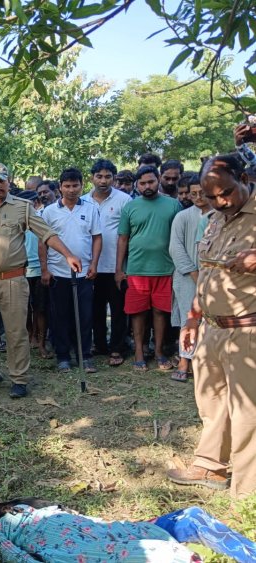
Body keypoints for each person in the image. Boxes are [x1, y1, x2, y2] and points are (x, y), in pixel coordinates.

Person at [167, 153, 256, 497]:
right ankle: (210, 466)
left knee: (247, 414)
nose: (221, 201)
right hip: (211, 328)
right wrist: (193, 316)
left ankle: (246, 494)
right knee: (211, 401)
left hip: (247, 330)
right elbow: (207, 270)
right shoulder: (215, 218)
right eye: (211, 196)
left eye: (226, 193)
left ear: (244, 177)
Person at [0, 163, 81, 398]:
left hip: (12, 280)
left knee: (16, 332)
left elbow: (47, 233)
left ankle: (19, 378)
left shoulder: (22, 208)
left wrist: (68, 254)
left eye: (1, 181)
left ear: (8, 182)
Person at [0, 483, 256, 562]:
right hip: (82, 552)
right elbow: (19, 558)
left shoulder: (13, 506)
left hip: (104, 530)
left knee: (193, 518)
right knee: (172, 556)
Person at [115, 165, 181, 372]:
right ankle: (139, 353)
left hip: (165, 269)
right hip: (136, 271)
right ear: (137, 184)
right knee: (138, 313)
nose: (147, 186)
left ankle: (160, 352)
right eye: (142, 183)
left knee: (161, 313)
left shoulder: (173, 205)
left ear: (158, 179)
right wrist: (119, 269)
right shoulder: (131, 207)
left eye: (151, 182)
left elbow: (178, 237)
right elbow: (123, 239)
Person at [41, 168, 102, 374]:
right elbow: (43, 243)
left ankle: (85, 356)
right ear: (60, 187)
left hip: (84, 273)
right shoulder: (49, 212)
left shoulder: (91, 209)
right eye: (67, 186)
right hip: (58, 273)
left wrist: (94, 264)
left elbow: (97, 238)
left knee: (85, 316)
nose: (71, 190)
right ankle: (63, 356)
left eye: (75, 185)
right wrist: (45, 269)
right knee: (60, 316)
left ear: (81, 185)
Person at [82, 159, 132, 366]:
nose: (103, 181)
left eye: (108, 176)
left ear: (114, 178)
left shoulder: (125, 200)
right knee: (96, 309)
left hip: (115, 266)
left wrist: (121, 268)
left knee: (118, 309)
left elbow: (127, 234)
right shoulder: (83, 201)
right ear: (92, 178)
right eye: (99, 176)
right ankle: (100, 345)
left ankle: (117, 348)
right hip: (91, 266)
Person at [168, 175, 209, 382]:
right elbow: (175, 248)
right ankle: (185, 361)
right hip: (187, 277)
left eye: (202, 192)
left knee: (212, 319)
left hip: (215, 277)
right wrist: (195, 274)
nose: (198, 197)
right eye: (194, 193)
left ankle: (205, 362)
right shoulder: (182, 217)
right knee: (189, 318)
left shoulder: (220, 215)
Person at [18, 191, 51, 359]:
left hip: (39, 270)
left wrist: (45, 269)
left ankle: (41, 342)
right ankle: (30, 336)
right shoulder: (16, 219)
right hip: (21, 270)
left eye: (28, 204)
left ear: (36, 203)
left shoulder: (41, 218)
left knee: (41, 308)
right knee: (24, 309)